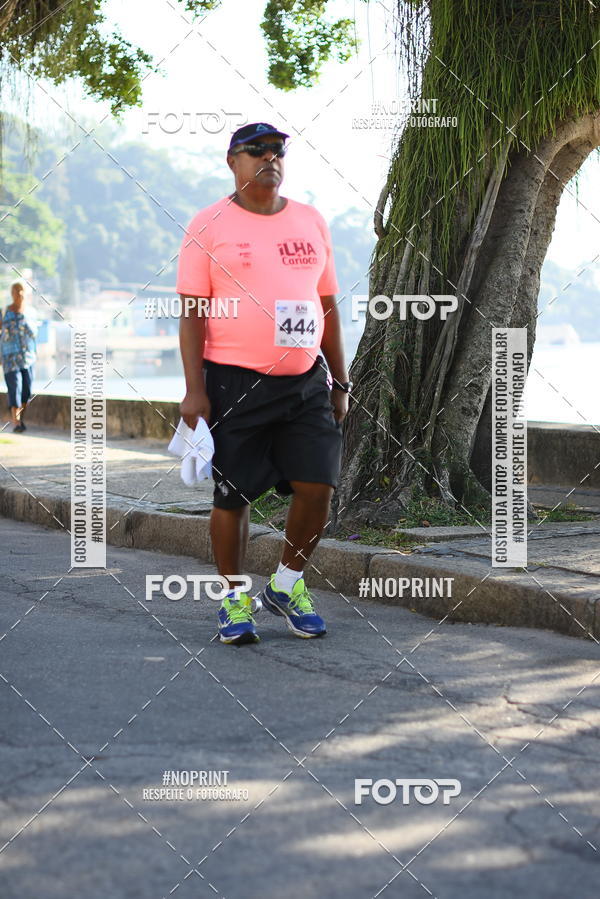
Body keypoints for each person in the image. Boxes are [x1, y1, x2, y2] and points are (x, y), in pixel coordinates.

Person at [176, 122, 352, 646]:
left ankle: (287, 584)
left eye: (277, 151)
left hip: (305, 381)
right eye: (257, 151)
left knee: (318, 485)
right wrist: (194, 389)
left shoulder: (310, 220)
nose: (269, 159)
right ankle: (233, 598)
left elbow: (327, 309)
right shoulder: (208, 224)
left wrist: (340, 379)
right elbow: (191, 313)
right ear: (233, 161)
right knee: (232, 498)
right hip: (233, 382)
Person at [1, 281, 38, 433]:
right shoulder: (4, 312)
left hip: (28, 357)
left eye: (22, 290)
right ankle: (16, 422)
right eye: (16, 291)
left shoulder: (30, 313)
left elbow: (34, 335)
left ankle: (20, 419)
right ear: (12, 293)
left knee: (27, 390)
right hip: (9, 357)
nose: (19, 294)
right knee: (14, 388)